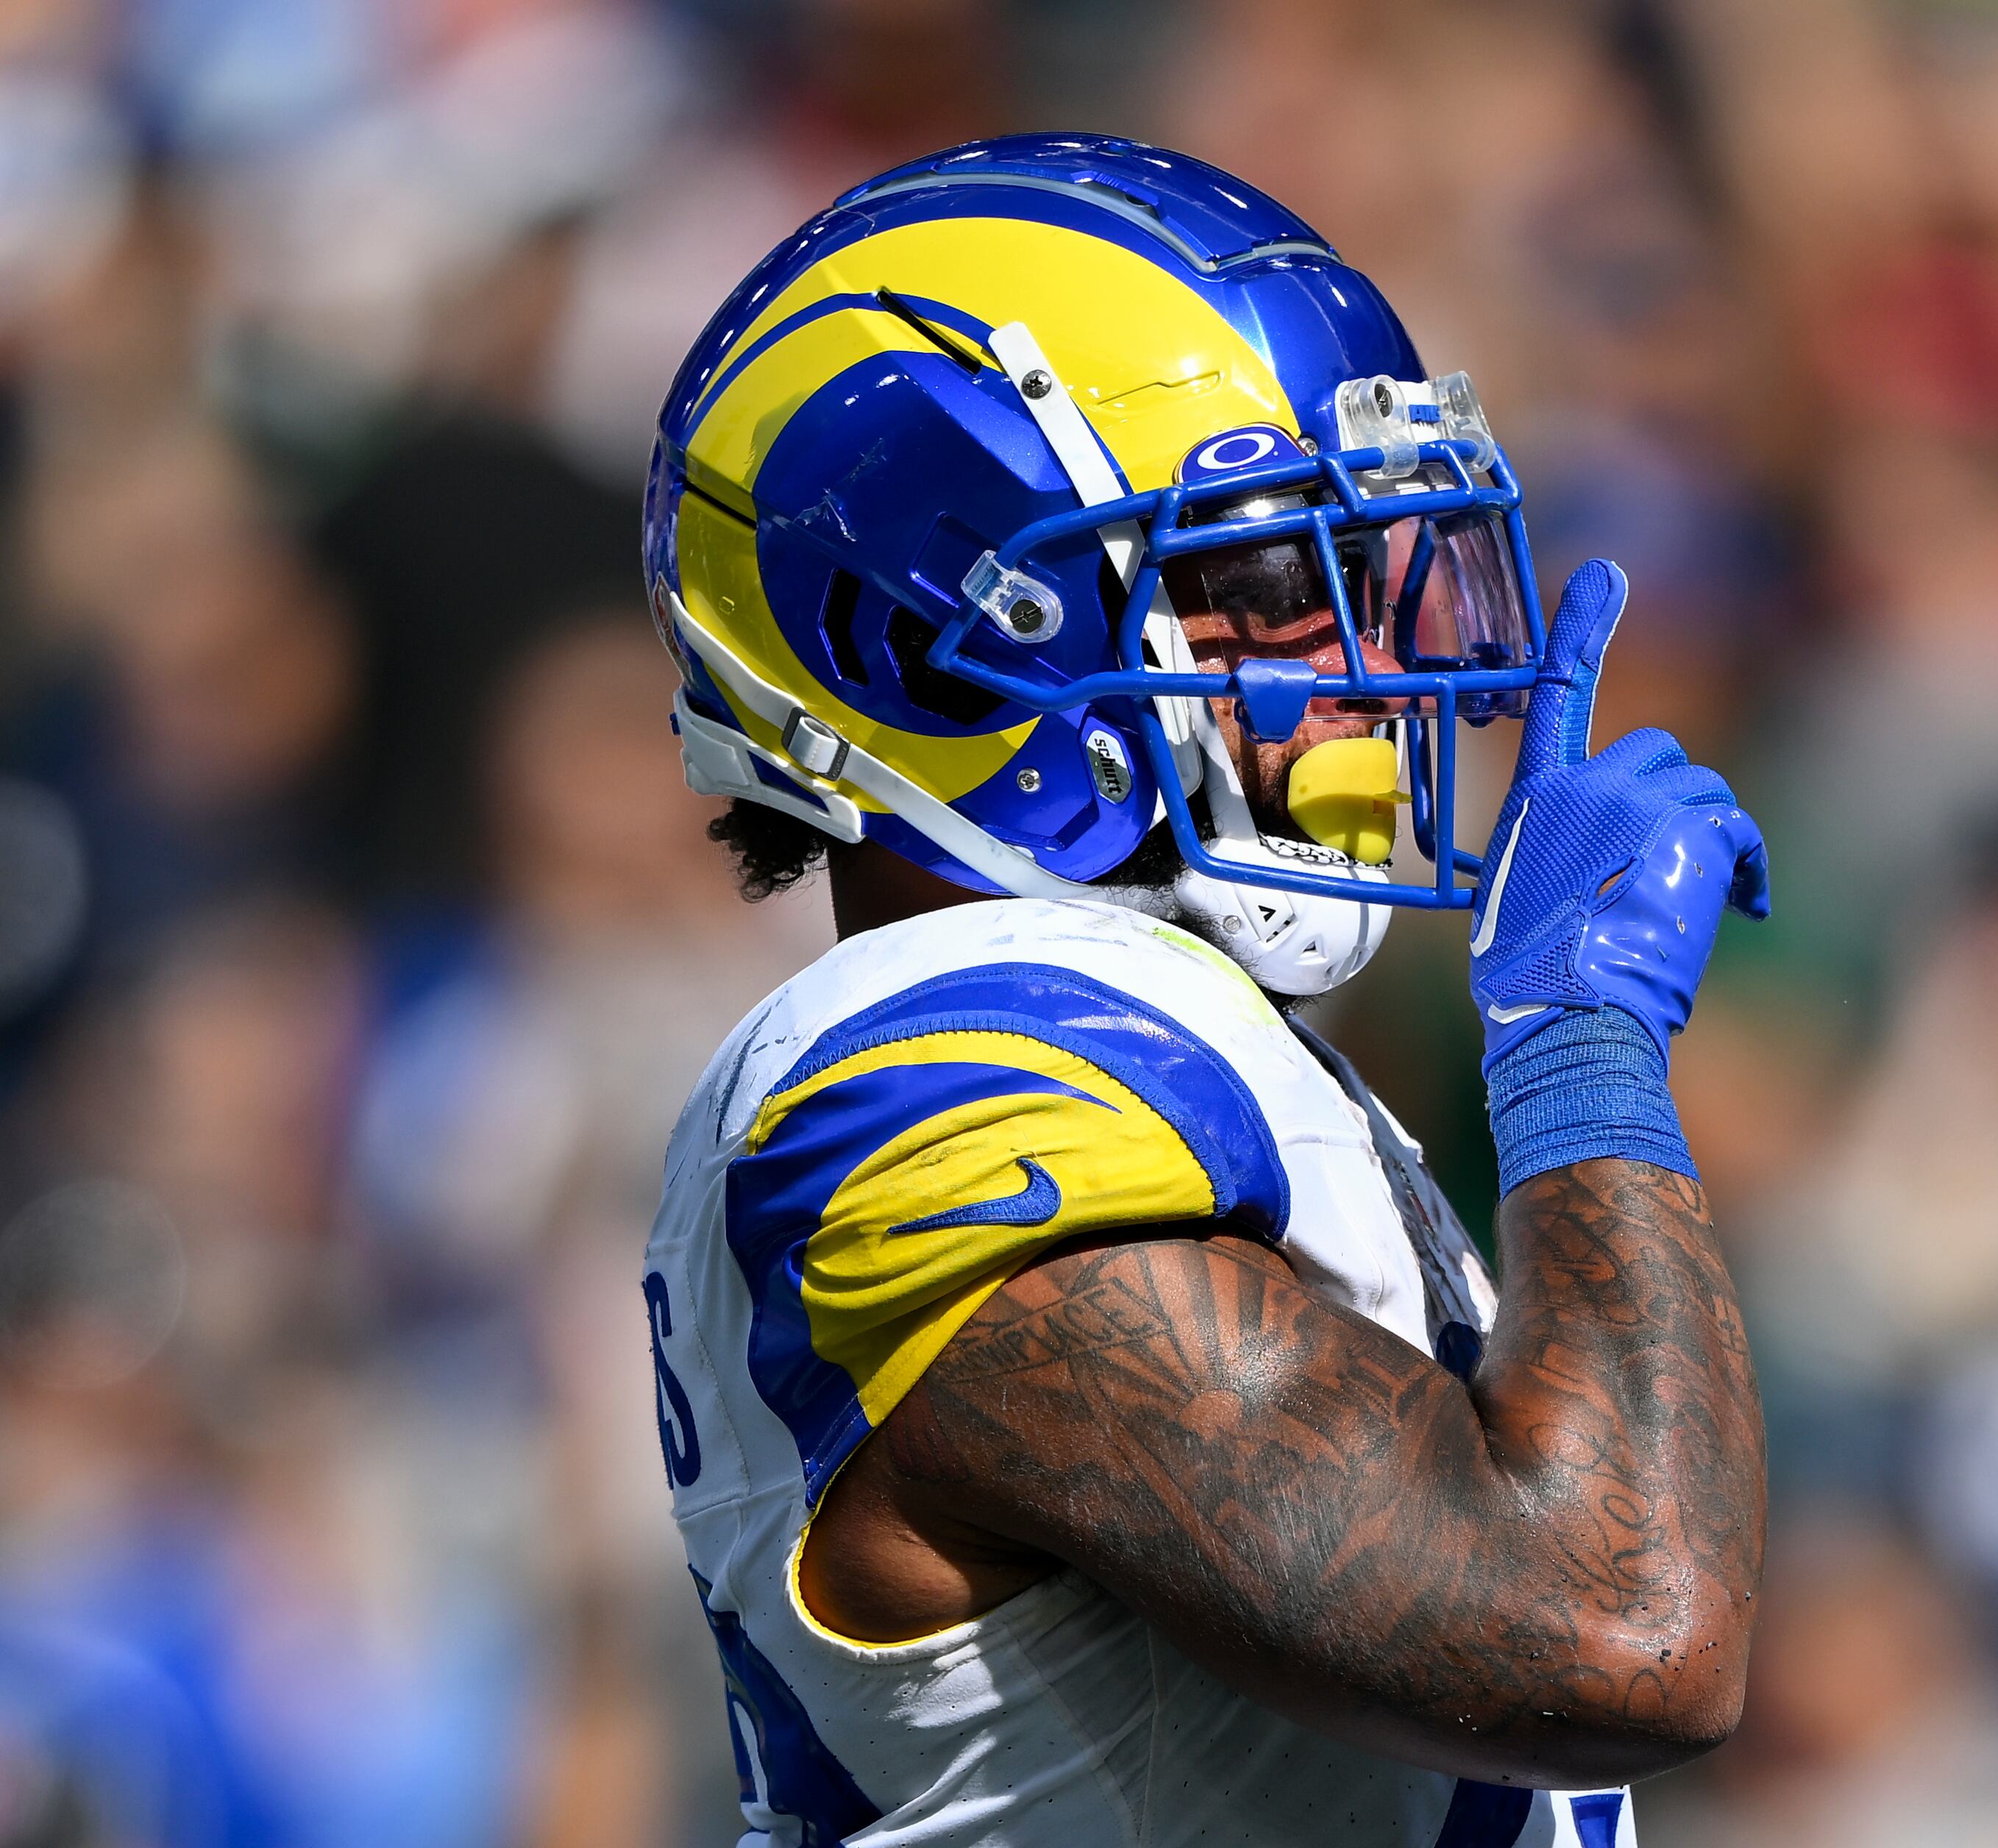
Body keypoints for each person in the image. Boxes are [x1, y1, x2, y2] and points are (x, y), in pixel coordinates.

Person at [635, 134, 1771, 1847]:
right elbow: (1618, 1626)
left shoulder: (1175, 1035)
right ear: (933, 634)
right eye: (1275, 586)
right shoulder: (954, 1063)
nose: (1380, 666)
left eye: (1378, 578)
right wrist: (1578, 1047)